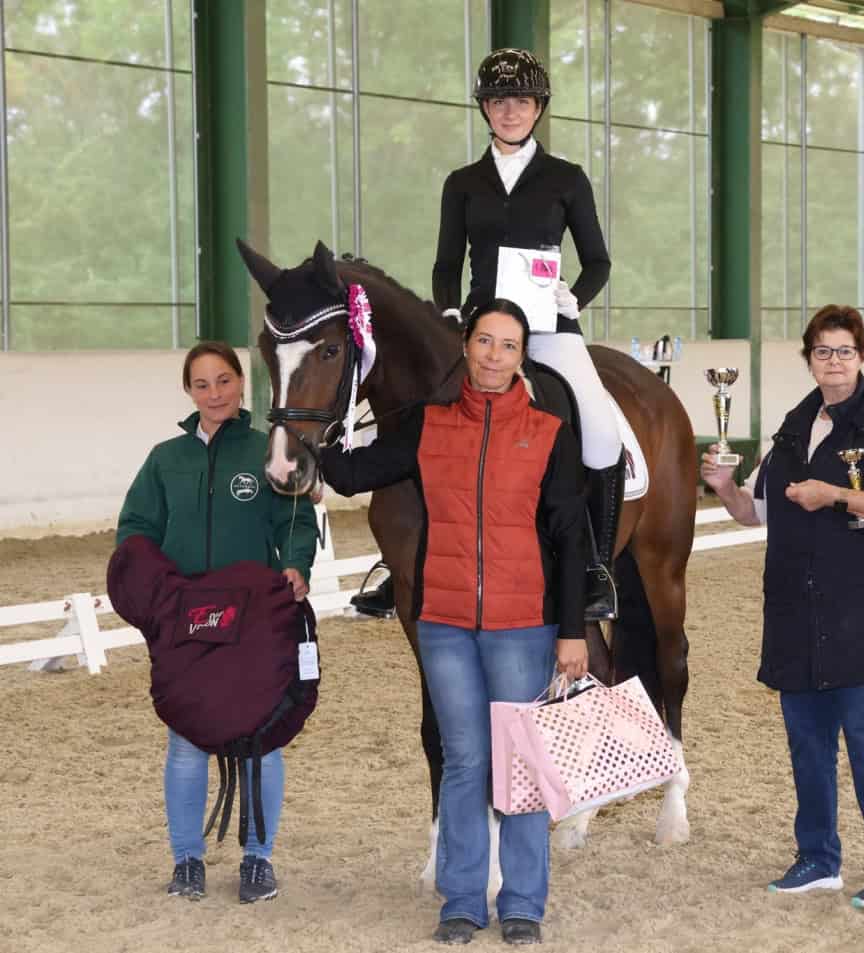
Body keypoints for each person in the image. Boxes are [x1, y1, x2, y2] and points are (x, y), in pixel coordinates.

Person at [320, 299, 588, 945]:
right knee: (465, 761)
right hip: (442, 620)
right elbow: (355, 474)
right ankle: (463, 899)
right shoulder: (427, 425)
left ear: (522, 357)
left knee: (520, 764)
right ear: (466, 346)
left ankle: (522, 901)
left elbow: (570, 538)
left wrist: (573, 628)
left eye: (508, 346)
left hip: (523, 622)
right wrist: (311, 429)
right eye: (485, 342)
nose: (495, 356)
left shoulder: (549, 432)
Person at [353, 48, 620, 623]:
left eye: (521, 101)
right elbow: (446, 264)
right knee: (424, 419)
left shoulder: (566, 179)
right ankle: (398, 559)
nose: (510, 111)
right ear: (485, 108)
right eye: (499, 101)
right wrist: (449, 313)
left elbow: (598, 260)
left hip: (549, 325)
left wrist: (575, 296)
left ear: (538, 107)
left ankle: (595, 566)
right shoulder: (463, 183)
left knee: (599, 430)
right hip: (479, 326)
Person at [701, 305, 864, 911]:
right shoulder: (793, 425)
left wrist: (835, 495)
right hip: (798, 610)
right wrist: (726, 488)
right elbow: (758, 514)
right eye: (823, 352)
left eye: (844, 351)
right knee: (807, 741)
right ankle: (818, 857)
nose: (834, 362)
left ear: (862, 356)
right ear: (808, 359)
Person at [116, 341, 318, 904]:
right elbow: (135, 529)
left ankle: (258, 859)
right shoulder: (164, 459)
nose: (214, 393)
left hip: (254, 620)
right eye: (202, 384)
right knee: (185, 743)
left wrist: (297, 564)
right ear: (188, 391)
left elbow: (296, 520)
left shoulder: (268, 451)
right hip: (186, 621)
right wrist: (149, 591)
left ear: (240, 385)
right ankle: (187, 860)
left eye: (224, 381)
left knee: (262, 740)